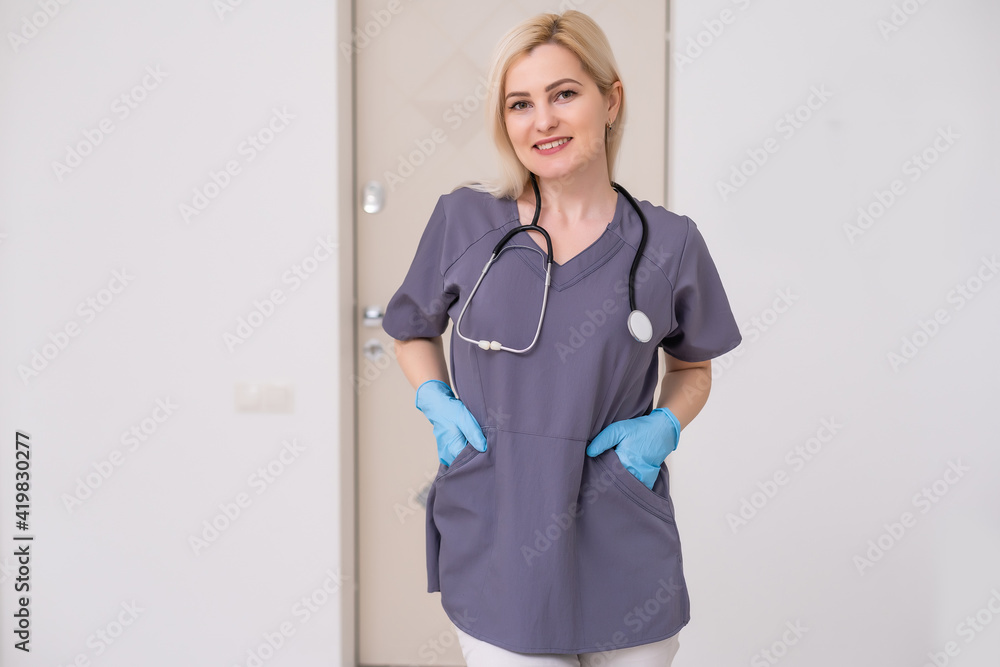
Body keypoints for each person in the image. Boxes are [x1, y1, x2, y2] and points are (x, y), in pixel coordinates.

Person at [382, 10, 741, 666]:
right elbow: (410, 330)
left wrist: (662, 426)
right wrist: (435, 401)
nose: (541, 120)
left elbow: (694, 366)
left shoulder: (669, 243)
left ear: (611, 99)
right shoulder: (465, 221)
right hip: (497, 533)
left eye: (564, 94)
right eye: (520, 103)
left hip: (621, 536)